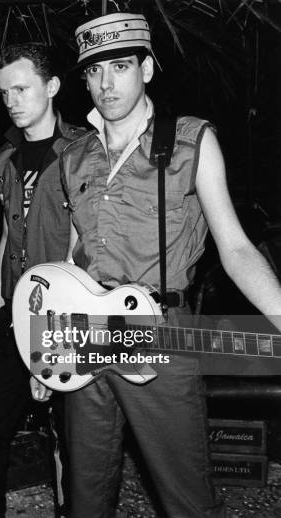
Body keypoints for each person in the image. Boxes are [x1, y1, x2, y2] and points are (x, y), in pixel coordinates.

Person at [49, 12, 281, 517]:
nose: (106, 83)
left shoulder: (191, 142)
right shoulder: (74, 158)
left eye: (120, 66)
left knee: (185, 500)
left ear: (147, 69)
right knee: (86, 499)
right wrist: (45, 346)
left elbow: (237, 249)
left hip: (157, 331)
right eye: (93, 71)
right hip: (86, 333)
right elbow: (74, 260)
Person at [0, 43, 85, 517]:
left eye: (22, 88)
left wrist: (51, 350)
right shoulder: (6, 155)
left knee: (75, 442)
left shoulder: (81, 152)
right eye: (4, 93)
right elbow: (5, 239)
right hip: (15, 312)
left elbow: (83, 249)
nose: (12, 100)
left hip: (65, 318)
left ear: (52, 87)